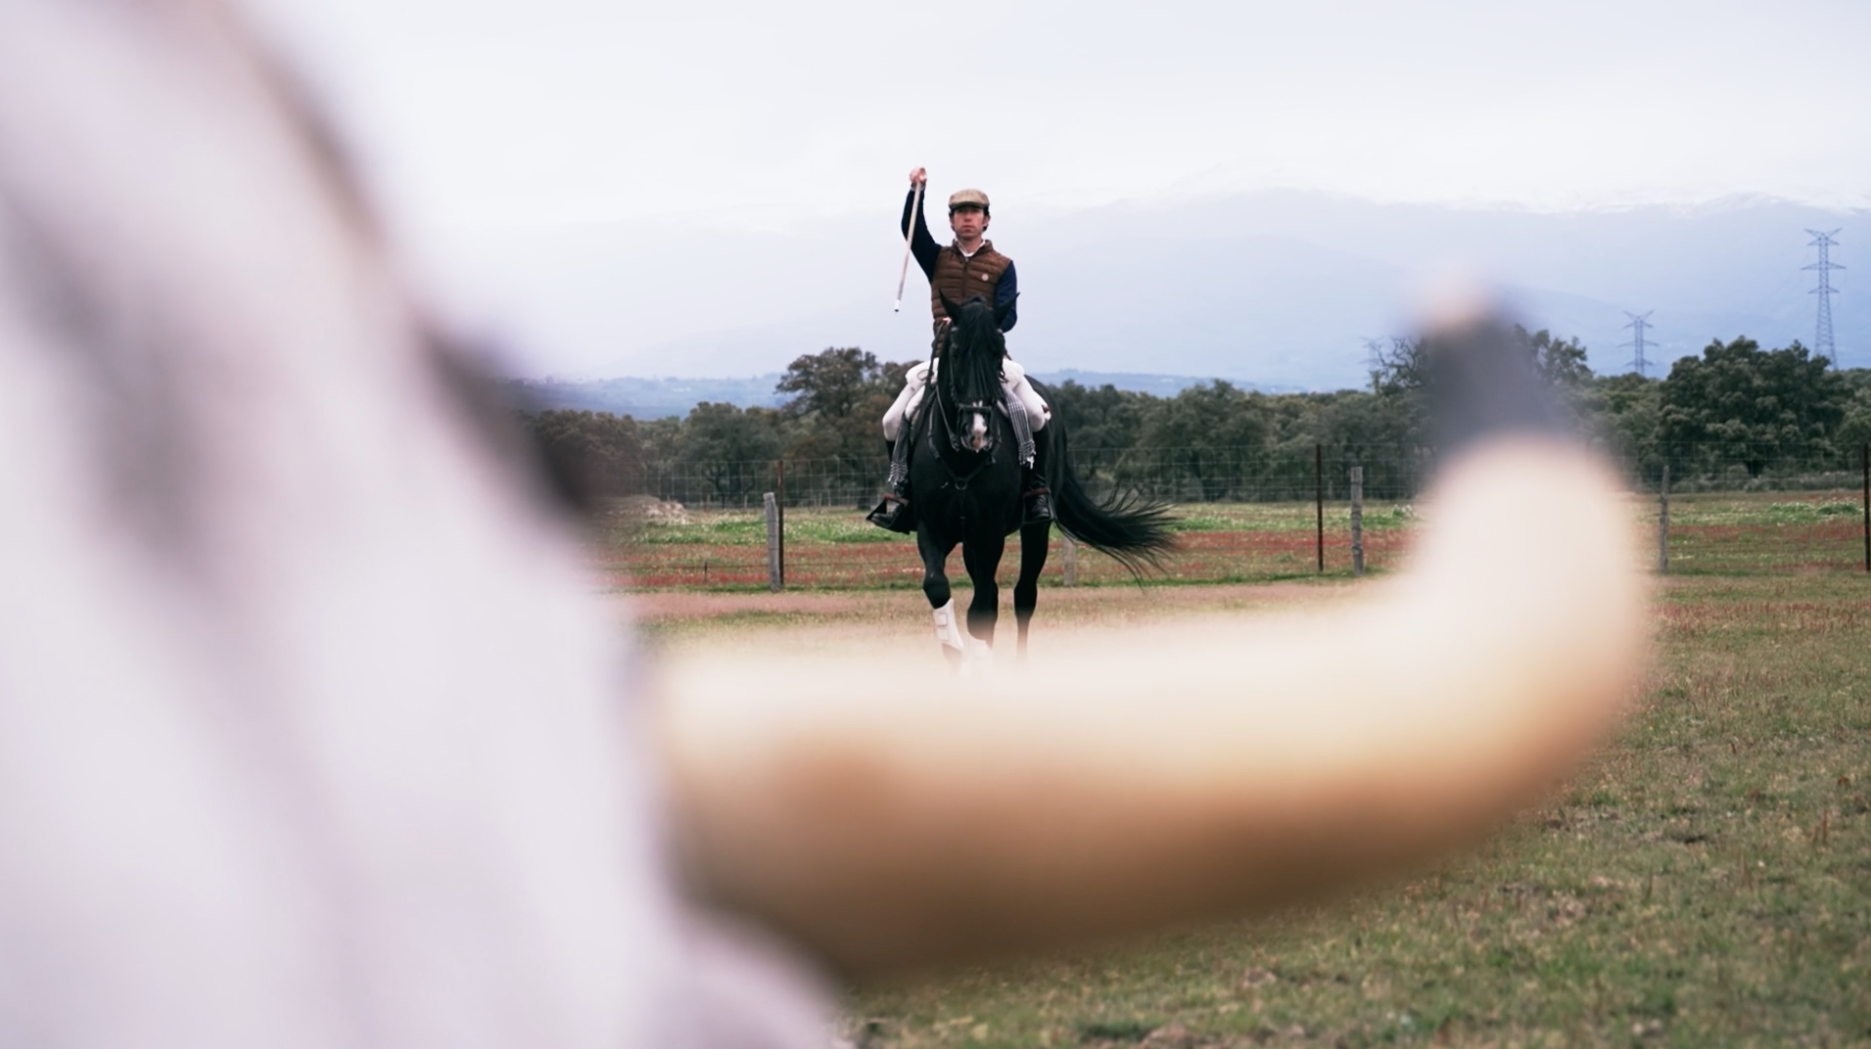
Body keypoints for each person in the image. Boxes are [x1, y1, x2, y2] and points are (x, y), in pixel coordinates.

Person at [866, 168, 1053, 532]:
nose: (967, 218)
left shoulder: (1004, 266)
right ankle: (902, 491)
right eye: (960, 212)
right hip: (944, 359)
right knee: (892, 420)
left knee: (1034, 413)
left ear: (986, 220)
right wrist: (914, 190)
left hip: (990, 361)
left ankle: (1036, 489)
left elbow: (1009, 316)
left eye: (974, 212)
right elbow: (912, 230)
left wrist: (977, 326)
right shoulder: (936, 258)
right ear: (951, 221)